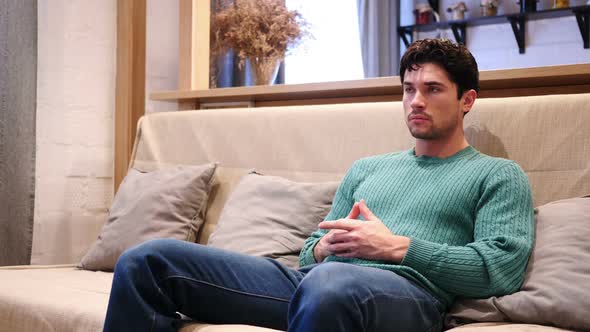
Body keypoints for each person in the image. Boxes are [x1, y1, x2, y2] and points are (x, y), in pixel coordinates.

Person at [103, 39, 534, 332]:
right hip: (316, 283)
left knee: (330, 287)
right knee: (148, 261)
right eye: (408, 89)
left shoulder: (496, 174)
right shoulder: (367, 168)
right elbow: (311, 249)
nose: (416, 101)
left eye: (432, 89)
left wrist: (396, 248)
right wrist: (324, 248)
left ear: (467, 100)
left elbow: (500, 270)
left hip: (409, 297)